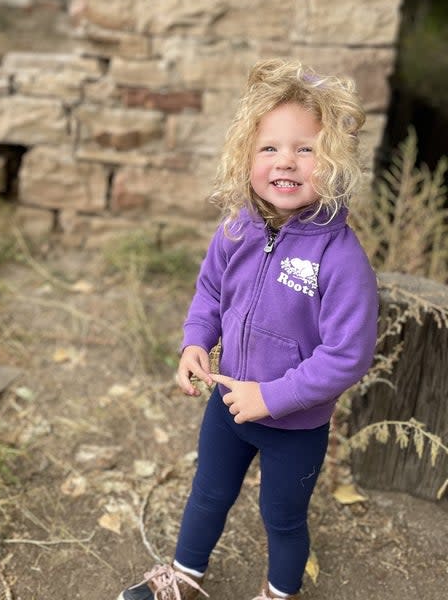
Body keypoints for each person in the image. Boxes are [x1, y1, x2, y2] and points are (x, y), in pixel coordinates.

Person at [117, 58, 379, 600]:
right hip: (228, 401)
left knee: (282, 517)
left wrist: (275, 396)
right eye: (270, 148)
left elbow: (347, 354)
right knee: (208, 493)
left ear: (333, 161)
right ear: (246, 156)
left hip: (295, 423)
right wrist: (195, 342)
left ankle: (281, 592)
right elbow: (211, 293)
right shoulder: (236, 229)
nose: (287, 161)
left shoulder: (341, 259)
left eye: (306, 149)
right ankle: (185, 578)